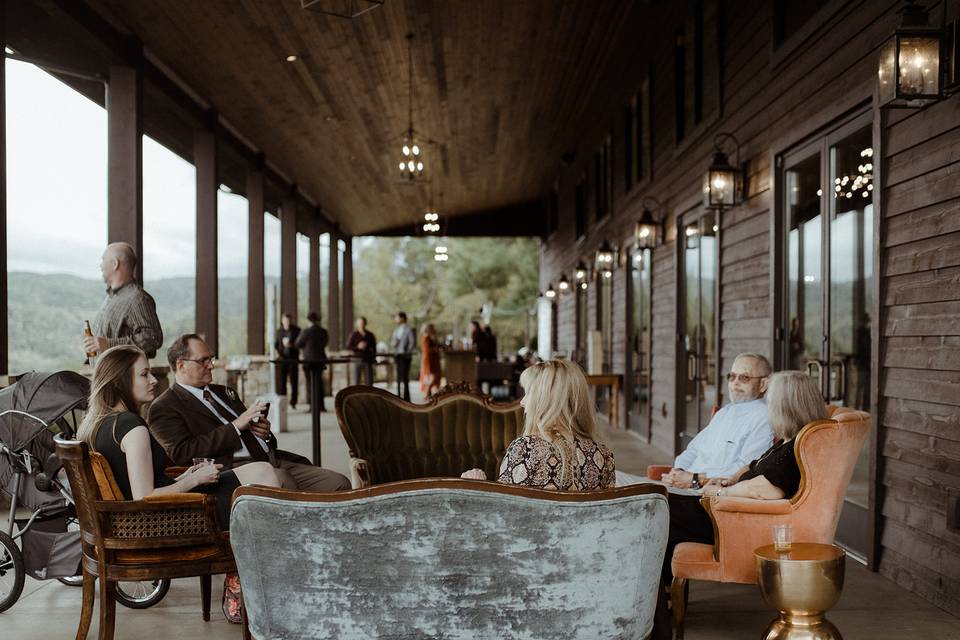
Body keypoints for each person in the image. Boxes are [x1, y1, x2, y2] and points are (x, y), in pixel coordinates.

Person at [76, 344, 280, 624]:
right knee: (261, 492)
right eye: (144, 374)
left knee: (262, 471)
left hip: (151, 514)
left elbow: (137, 482)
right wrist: (195, 478)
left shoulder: (98, 424)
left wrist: (185, 476)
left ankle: (243, 582)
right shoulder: (131, 427)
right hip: (167, 519)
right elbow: (143, 496)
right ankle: (248, 585)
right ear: (121, 380)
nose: (154, 380)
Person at [650, 371, 828, 639]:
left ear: (785, 406)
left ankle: (655, 603)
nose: (767, 408)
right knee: (659, 505)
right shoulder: (791, 442)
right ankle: (659, 600)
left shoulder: (795, 450)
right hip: (728, 509)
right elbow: (755, 472)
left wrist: (721, 492)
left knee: (658, 507)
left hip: (732, 522)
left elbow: (766, 490)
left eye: (771, 402)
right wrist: (725, 482)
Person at [148, 333, 351, 492]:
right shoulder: (165, 407)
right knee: (283, 481)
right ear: (181, 365)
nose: (211, 365)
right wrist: (236, 426)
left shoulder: (224, 392)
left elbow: (255, 432)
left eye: (211, 358)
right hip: (233, 470)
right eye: (203, 360)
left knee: (339, 483)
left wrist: (265, 434)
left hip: (271, 458)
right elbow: (183, 453)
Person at [461, 359, 615, 490]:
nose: (522, 402)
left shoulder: (526, 449)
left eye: (528, 393)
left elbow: (504, 513)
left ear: (545, 401)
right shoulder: (604, 455)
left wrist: (477, 485)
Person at [658, 353, 774, 489]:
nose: (735, 382)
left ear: (763, 384)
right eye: (732, 376)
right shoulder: (724, 412)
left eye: (744, 377)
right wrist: (678, 471)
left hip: (707, 494)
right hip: (683, 485)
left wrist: (695, 480)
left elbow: (746, 469)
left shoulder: (764, 417)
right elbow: (693, 449)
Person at [83, 242, 163, 359]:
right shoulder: (111, 297)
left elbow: (152, 338)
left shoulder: (137, 298)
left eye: (103, 260)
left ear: (115, 264)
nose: (101, 266)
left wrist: (108, 344)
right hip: (105, 375)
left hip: (123, 376)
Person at [295, 311, 329, 411]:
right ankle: (321, 406)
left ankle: (313, 406)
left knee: (310, 384)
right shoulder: (323, 331)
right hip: (320, 360)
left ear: (308, 320)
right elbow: (325, 342)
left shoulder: (306, 332)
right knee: (319, 383)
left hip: (308, 361)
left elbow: (298, 344)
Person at [274, 313, 301, 409]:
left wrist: (292, 345)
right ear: (282, 321)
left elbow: (300, 344)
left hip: (293, 359)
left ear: (291, 320)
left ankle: (293, 402)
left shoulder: (297, 330)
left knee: (294, 382)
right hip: (282, 360)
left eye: (288, 321)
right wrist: (277, 352)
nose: (287, 322)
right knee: (282, 382)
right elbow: (276, 345)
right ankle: (283, 403)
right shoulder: (279, 331)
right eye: (285, 321)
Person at [390, 312, 416, 401]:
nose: (396, 320)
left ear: (402, 318)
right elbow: (392, 342)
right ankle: (398, 397)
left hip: (405, 357)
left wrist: (407, 352)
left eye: (397, 318)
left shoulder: (409, 329)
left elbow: (412, 343)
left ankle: (406, 398)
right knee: (398, 377)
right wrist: (394, 343)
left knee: (405, 377)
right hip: (397, 355)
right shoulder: (396, 330)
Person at [346, 317, 376, 385]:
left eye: (362, 323)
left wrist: (373, 359)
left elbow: (374, 348)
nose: (361, 324)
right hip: (356, 360)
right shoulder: (353, 334)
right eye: (359, 323)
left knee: (369, 381)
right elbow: (348, 347)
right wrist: (357, 347)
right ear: (357, 324)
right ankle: (357, 395)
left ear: (365, 323)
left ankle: (369, 395)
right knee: (356, 381)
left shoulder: (370, 335)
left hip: (367, 360)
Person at [419, 323, 442, 397]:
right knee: (431, 378)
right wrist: (435, 349)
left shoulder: (431, 337)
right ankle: (428, 395)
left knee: (433, 378)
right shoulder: (426, 338)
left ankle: (430, 395)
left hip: (434, 360)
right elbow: (426, 350)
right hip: (430, 361)